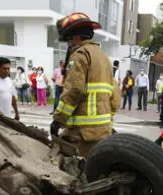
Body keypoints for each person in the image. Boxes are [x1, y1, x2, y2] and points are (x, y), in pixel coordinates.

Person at [51, 12, 121, 157]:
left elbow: (74, 90)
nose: (69, 44)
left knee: (68, 168)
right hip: (102, 130)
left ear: (76, 37)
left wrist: (58, 120)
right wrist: (107, 119)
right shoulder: (104, 57)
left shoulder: (80, 55)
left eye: (69, 40)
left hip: (81, 133)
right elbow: (115, 95)